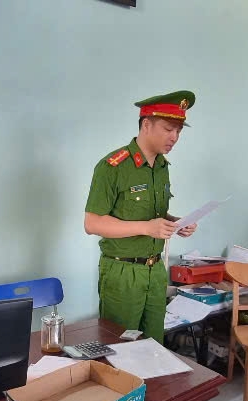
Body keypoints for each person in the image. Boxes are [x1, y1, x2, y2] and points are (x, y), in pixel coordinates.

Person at [84, 90, 198, 343]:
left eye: (179, 131)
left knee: (154, 345)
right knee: (120, 347)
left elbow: (151, 214)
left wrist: (175, 223)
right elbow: (92, 223)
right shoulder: (113, 167)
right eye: (168, 129)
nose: (174, 137)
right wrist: (148, 228)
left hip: (155, 270)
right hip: (123, 273)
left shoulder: (161, 167)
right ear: (146, 124)